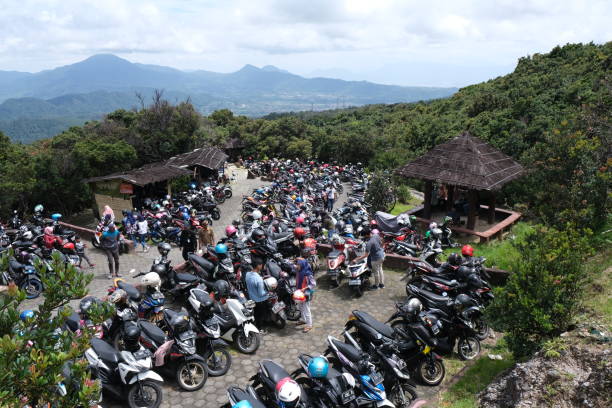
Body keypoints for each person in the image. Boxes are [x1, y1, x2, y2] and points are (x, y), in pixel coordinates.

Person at [245, 258, 269, 330]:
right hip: (260, 300)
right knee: (261, 315)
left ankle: (257, 326)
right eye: (261, 265)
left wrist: (262, 278)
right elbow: (261, 293)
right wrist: (269, 292)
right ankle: (261, 328)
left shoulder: (248, 274)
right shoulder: (258, 279)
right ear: (259, 266)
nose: (262, 266)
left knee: (256, 313)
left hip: (252, 298)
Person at [295, 256, 316, 333]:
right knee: (300, 307)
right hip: (300, 293)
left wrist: (305, 288)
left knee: (306, 309)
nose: (297, 266)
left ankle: (309, 325)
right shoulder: (299, 271)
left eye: (299, 265)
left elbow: (313, 284)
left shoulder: (308, 273)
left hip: (306, 293)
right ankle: (303, 320)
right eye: (297, 264)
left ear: (303, 265)